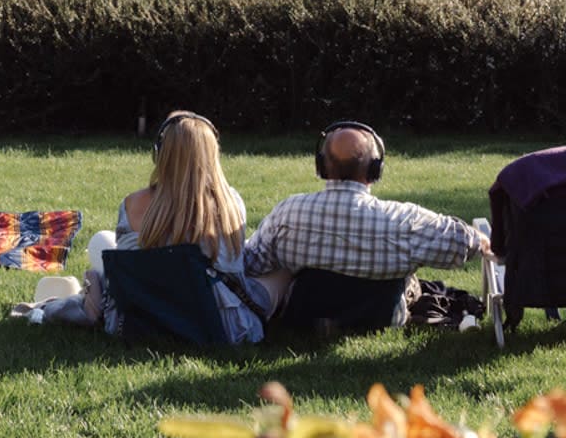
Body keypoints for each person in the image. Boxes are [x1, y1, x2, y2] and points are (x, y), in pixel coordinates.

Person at [48, 111, 265, 342]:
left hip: (143, 319)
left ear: (159, 153)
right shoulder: (230, 203)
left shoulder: (132, 204)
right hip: (219, 324)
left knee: (101, 240)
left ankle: (82, 297)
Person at [243, 121, 489, 317]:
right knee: (414, 283)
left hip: (306, 315)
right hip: (381, 315)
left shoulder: (288, 211)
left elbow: (252, 263)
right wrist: (480, 237)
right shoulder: (405, 219)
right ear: (375, 169)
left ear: (321, 167)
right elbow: (463, 242)